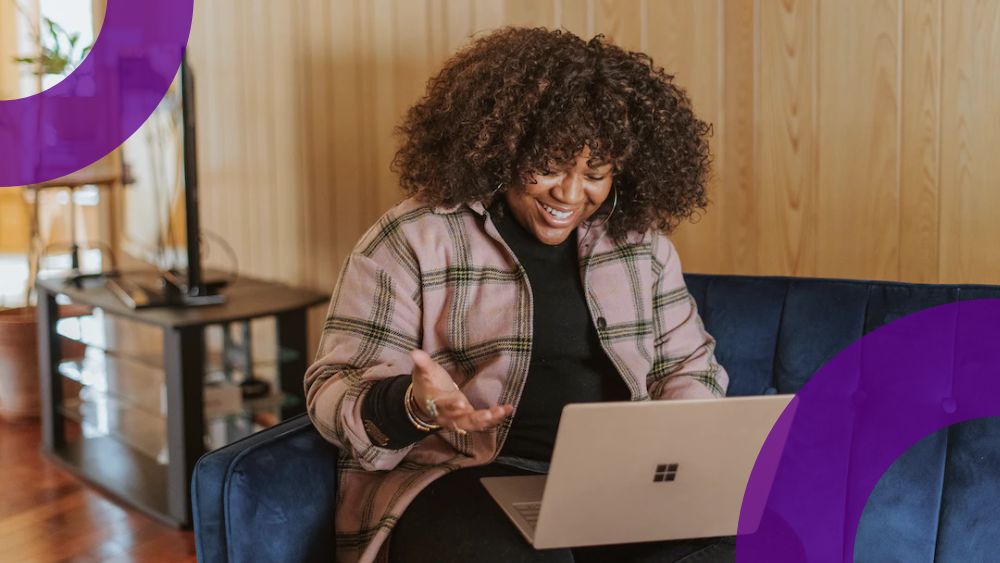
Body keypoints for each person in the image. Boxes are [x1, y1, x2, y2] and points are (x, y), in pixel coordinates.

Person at [304, 26, 731, 563]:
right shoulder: (414, 238)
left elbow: (689, 366)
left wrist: (675, 446)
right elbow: (331, 389)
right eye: (550, 167)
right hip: (460, 476)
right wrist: (413, 405)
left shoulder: (641, 247)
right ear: (502, 149)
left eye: (595, 173)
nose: (571, 195)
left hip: (614, 484)